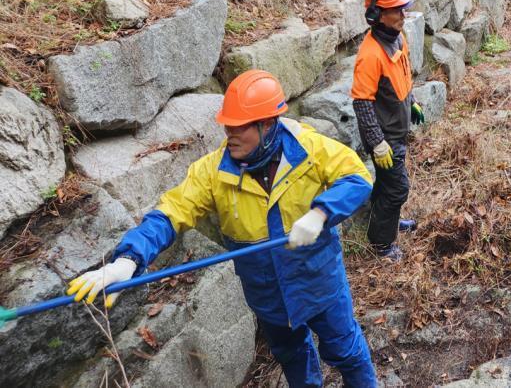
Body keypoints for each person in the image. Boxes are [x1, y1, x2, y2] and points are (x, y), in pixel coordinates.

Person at [66, 70, 378, 387]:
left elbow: (357, 177)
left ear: (268, 124)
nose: (230, 132)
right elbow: (171, 212)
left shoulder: (311, 150)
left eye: (241, 125)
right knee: (294, 358)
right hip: (268, 298)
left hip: (320, 284)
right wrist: (128, 260)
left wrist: (321, 213)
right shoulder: (213, 172)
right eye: (228, 123)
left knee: (346, 352)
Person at [350, 0, 424, 262]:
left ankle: (388, 222)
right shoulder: (370, 55)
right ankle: (381, 244)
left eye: (403, 8)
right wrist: (377, 142)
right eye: (397, 10)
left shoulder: (397, 39)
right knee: (398, 188)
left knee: (385, 183)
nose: (403, 15)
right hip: (383, 136)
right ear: (377, 14)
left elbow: (403, 77)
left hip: (397, 128)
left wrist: (413, 101)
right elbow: (362, 103)